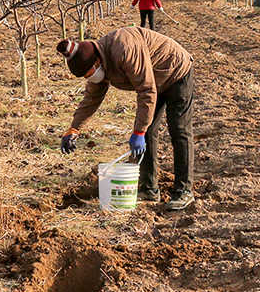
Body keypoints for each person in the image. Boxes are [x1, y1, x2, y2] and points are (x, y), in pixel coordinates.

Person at [57, 28, 196, 210]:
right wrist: (74, 128)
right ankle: (148, 189)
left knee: (179, 130)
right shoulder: (99, 64)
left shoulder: (124, 49)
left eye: (90, 73)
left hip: (176, 71)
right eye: (86, 76)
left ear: (97, 61)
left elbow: (146, 90)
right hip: (154, 80)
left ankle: (184, 190)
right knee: (147, 131)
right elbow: (91, 99)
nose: (90, 77)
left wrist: (139, 131)